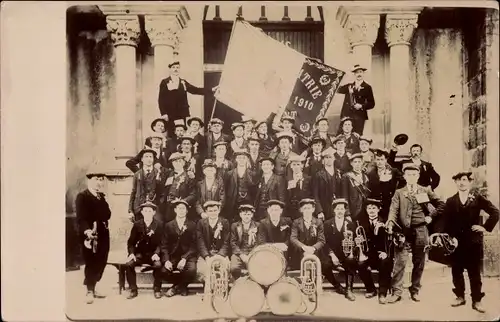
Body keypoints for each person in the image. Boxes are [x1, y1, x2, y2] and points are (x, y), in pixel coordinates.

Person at [439, 171, 499, 313]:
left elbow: (495, 212)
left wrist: (484, 227)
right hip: (456, 242)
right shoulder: (451, 201)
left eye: (464, 180)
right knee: (456, 270)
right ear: (455, 183)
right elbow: (447, 222)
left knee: (474, 272)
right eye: (458, 180)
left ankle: (477, 300)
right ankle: (460, 296)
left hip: (473, 242)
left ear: (470, 182)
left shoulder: (477, 198)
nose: (462, 182)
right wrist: (449, 237)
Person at [386, 163, 445, 303]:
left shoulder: (425, 190)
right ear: (405, 177)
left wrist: (432, 216)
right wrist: (390, 222)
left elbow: (442, 204)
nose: (411, 177)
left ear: (418, 176)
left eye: (414, 174)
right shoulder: (399, 192)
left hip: (421, 230)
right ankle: (397, 292)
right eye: (409, 175)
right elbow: (393, 210)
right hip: (403, 231)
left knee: (419, 262)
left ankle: (415, 290)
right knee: (400, 261)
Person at [75, 167, 111, 304]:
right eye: (96, 179)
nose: (99, 183)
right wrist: (87, 231)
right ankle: (89, 290)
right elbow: (81, 218)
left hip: (103, 232)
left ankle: (94, 287)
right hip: (89, 234)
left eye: (101, 180)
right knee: (91, 261)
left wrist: (101, 201)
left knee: (102, 259)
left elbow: (108, 214)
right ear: (89, 180)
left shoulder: (101, 197)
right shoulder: (82, 197)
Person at [158, 61, 217, 135]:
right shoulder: (165, 82)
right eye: (173, 67)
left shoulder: (183, 82)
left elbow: (195, 90)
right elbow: (161, 99)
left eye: (177, 67)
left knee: (181, 132)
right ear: (170, 69)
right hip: (170, 113)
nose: (175, 69)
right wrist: (163, 113)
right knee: (171, 133)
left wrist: (211, 90)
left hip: (181, 113)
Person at [357, 199, 394, 304]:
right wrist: (358, 242)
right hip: (368, 254)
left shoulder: (385, 222)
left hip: (380, 254)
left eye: (374, 208)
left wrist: (386, 252)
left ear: (379, 209)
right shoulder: (361, 223)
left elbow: (390, 241)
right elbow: (359, 240)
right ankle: (371, 289)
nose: (371, 210)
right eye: (369, 208)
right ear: (366, 210)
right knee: (360, 264)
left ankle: (382, 293)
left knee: (385, 262)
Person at [125, 201, 164, 299]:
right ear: (142, 212)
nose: (147, 213)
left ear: (154, 212)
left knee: (158, 265)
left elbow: (162, 243)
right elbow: (131, 242)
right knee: (129, 264)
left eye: (149, 211)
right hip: (140, 254)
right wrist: (132, 253)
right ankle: (133, 290)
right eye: (145, 211)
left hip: (153, 254)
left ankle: (157, 289)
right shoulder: (137, 225)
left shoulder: (159, 225)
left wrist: (157, 253)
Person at [161, 199, 198, 297]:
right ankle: (181, 286)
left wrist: (185, 258)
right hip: (173, 255)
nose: (181, 211)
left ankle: (177, 287)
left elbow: (194, 245)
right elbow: (164, 245)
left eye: (183, 209)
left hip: (188, 255)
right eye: (179, 208)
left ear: (186, 211)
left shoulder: (192, 225)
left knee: (192, 271)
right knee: (164, 271)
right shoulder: (168, 225)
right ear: (175, 210)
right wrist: (167, 260)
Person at [322, 198, 358, 299]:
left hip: (345, 254)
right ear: (334, 210)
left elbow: (354, 241)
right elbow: (324, 242)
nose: (340, 211)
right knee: (325, 266)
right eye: (338, 209)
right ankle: (337, 286)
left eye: (342, 209)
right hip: (332, 253)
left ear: (345, 210)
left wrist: (353, 245)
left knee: (350, 261)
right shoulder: (327, 224)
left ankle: (349, 289)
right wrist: (332, 255)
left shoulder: (350, 224)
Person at [196, 200, 231, 284]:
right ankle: (207, 289)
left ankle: (221, 287)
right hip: (206, 253)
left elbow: (226, 242)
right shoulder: (201, 223)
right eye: (210, 211)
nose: (213, 213)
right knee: (201, 270)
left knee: (226, 267)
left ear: (219, 210)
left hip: (220, 253)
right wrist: (206, 256)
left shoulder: (224, 222)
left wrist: (219, 255)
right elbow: (200, 242)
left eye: (215, 210)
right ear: (206, 212)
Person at [336, 64, 375, 135]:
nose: (359, 74)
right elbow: (336, 89)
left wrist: (361, 106)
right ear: (354, 74)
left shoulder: (367, 87)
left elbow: (372, 104)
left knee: (357, 136)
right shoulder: (349, 86)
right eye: (357, 72)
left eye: (360, 72)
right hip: (347, 115)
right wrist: (338, 76)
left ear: (363, 73)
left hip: (359, 117)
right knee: (342, 136)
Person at [128, 148, 165, 222]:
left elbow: (163, 193)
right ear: (142, 159)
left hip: (154, 209)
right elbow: (133, 192)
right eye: (146, 156)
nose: (149, 159)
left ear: (154, 159)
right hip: (139, 209)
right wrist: (130, 211)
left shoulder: (159, 173)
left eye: (151, 157)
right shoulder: (137, 174)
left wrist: (159, 205)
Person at [367, 149, 404, 222]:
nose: (379, 162)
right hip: (376, 205)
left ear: (386, 160)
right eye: (378, 160)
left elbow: (404, 181)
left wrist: (396, 193)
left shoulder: (393, 171)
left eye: (381, 159)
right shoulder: (371, 174)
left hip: (390, 203)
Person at [289, 199, 325, 270]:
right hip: (299, 253)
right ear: (301, 210)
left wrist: (313, 248)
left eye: (309, 208)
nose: (307, 211)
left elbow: (321, 240)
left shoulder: (318, 222)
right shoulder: (296, 222)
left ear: (313, 209)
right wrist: (304, 247)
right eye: (305, 208)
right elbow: (293, 238)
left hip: (315, 253)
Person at [159, 152, 196, 222]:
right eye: (175, 161)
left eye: (180, 161)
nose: (178, 163)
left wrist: (182, 201)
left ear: (184, 163)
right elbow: (164, 191)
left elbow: (193, 194)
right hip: (168, 209)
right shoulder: (169, 174)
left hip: (182, 209)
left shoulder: (189, 176)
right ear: (172, 163)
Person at [223, 150, 257, 223]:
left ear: (247, 159)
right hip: (233, 202)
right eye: (239, 158)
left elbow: (255, 191)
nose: (241, 160)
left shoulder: (252, 174)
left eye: (244, 158)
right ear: (236, 159)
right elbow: (225, 189)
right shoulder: (229, 174)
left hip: (248, 202)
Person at [230, 204, 260, 280]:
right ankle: (238, 283)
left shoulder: (258, 225)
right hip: (239, 252)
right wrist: (241, 255)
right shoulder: (235, 226)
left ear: (252, 215)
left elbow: (259, 242)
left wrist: (252, 254)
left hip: (253, 252)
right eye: (244, 214)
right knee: (234, 268)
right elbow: (233, 243)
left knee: (257, 268)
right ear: (240, 215)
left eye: (249, 214)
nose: (246, 216)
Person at [312, 147, 342, 220]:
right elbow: (315, 195)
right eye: (326, 157)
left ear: (334, 159)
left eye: (330, 157)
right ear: (323, 161)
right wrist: (319, 211)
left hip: (337, 208)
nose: (329, 159)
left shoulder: (338, 173)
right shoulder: (318, 175)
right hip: (324, 207)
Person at [341, 153, 371, 221]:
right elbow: (344, 196)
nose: (357, 164)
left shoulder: (365, 177)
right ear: (351, 163)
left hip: (365, 211)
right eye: (355, 162)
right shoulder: (347, 177)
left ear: (362, 163)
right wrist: (347, 213)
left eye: (359, 162)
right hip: (353, 211)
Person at [286, 155, 313, 220]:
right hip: (290, 210)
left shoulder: (308, 179)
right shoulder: (286, 179)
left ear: (302, 166)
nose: (296, 167)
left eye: (298, 164)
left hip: (304, 209)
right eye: (294, 164)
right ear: (291, 166)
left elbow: (312, 195)